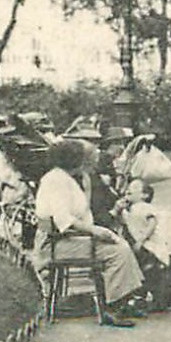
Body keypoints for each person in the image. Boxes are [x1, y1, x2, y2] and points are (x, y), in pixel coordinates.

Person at [33, 138, 147, 328]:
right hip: (56, 245)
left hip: (68, 240)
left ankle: (121, 300)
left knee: (119, 245)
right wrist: (95, 231)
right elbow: (64, 220)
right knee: (118, 251)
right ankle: (112, 305)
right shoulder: (56, 181)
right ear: (74, 160)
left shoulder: (64, 179)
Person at [116, 178, 171, 313]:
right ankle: (138, 296)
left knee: (148, 268)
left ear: (145, 195)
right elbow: (124, 222)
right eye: (128, 188)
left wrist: (141, 240)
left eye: (134, 187)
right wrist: (119, 210)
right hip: (141, 246)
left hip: (150, 245)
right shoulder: (129, 209)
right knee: (139, 268)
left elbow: (152, 223)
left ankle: (150, 296)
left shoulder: (145, 207)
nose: (128, 190)